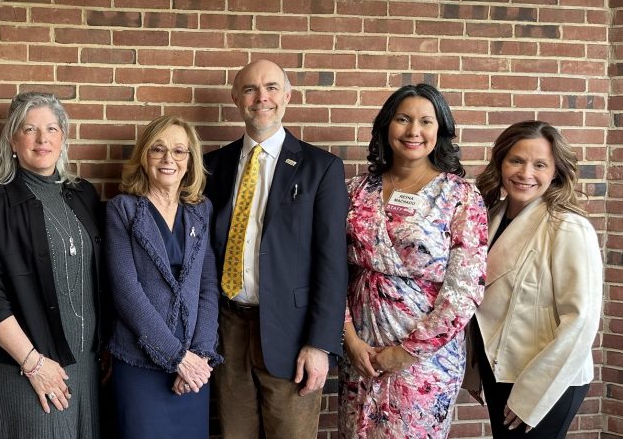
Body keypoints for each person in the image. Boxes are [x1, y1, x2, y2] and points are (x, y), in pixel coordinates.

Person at [204, 59, 349, 439]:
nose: (261, 97)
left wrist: (320, 344)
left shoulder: (322, 168)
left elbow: (332, 264)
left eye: (271, 87)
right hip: (228, 330)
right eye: (250, 89)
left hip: (292, 335)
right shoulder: (211, 167)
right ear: (236, 98)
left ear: (287, 96)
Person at [339, 83, 488, 438]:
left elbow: (464, 291)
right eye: (403, 119)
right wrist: (349, 340)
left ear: (442, 131)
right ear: (385, 126)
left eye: (426, 121)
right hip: (360, 352)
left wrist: (405, 353)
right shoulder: (355, 190)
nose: (413, 131)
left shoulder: (461, 196)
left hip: (424, 362)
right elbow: (331, 270)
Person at [0, 91, 104, 438]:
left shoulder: (84, 195)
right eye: (30, 129)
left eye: (52, 129)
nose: (43, 139)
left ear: (63, 138)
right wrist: (34, 364)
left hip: (82, 366)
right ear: (12, 138)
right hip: (22, 366)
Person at [465, 121, 602, 438]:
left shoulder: (567, 226)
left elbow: (580, 321)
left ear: (556, 171)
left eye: (539, 164)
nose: (525, 173)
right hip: (500, 368)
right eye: (516, 160)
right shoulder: (489, 216)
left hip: (546, 377)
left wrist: (533, 394)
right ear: (500, 162)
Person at [105, 115, 222, 439]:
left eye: (179, 151)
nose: (168, 159)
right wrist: (177, 357)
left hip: (193, 370)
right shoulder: (123, 210)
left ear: (190, 161)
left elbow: (208, 287)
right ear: (144, 156)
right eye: (158, 149)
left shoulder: (201, 210)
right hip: (139, 364)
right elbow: (126, 291)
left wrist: (198, 354)